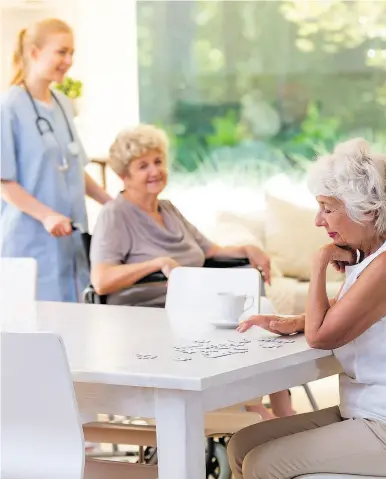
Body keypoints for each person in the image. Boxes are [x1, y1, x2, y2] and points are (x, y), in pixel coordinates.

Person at [227, 138, 386, 479]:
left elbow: (321, 336)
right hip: (372, 412)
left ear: (367, 209)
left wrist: (321, 260)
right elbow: (351, 314)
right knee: (242, 445)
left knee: (261, 464)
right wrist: (295, 320)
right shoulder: (378, 251)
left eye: (327, 208)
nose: (318, 220)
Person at [89, 123, 293, 418]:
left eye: (158, 161)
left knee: (263, 308)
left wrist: (248, 248)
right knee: (244, 319)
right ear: (124, 175)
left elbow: (209, 251)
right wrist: (156, 263)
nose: (154, 171)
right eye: (142, 166)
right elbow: (101, 280)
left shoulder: (168, 209)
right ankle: (253, 408)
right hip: (153, 311)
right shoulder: (115, 215)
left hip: (194, 301)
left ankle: (279, 409)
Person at [1, 18, 112, 302]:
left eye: (72, 53)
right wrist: (46, 215)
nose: (69, 60)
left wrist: (111, 203)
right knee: (37, 327)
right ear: (35, 53)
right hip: (31, 241)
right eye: (61, 52)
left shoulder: (63, 103)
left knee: (77, 323)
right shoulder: (9, 107)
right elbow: (5, 183)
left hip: (71, 240)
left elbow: (75, 167)